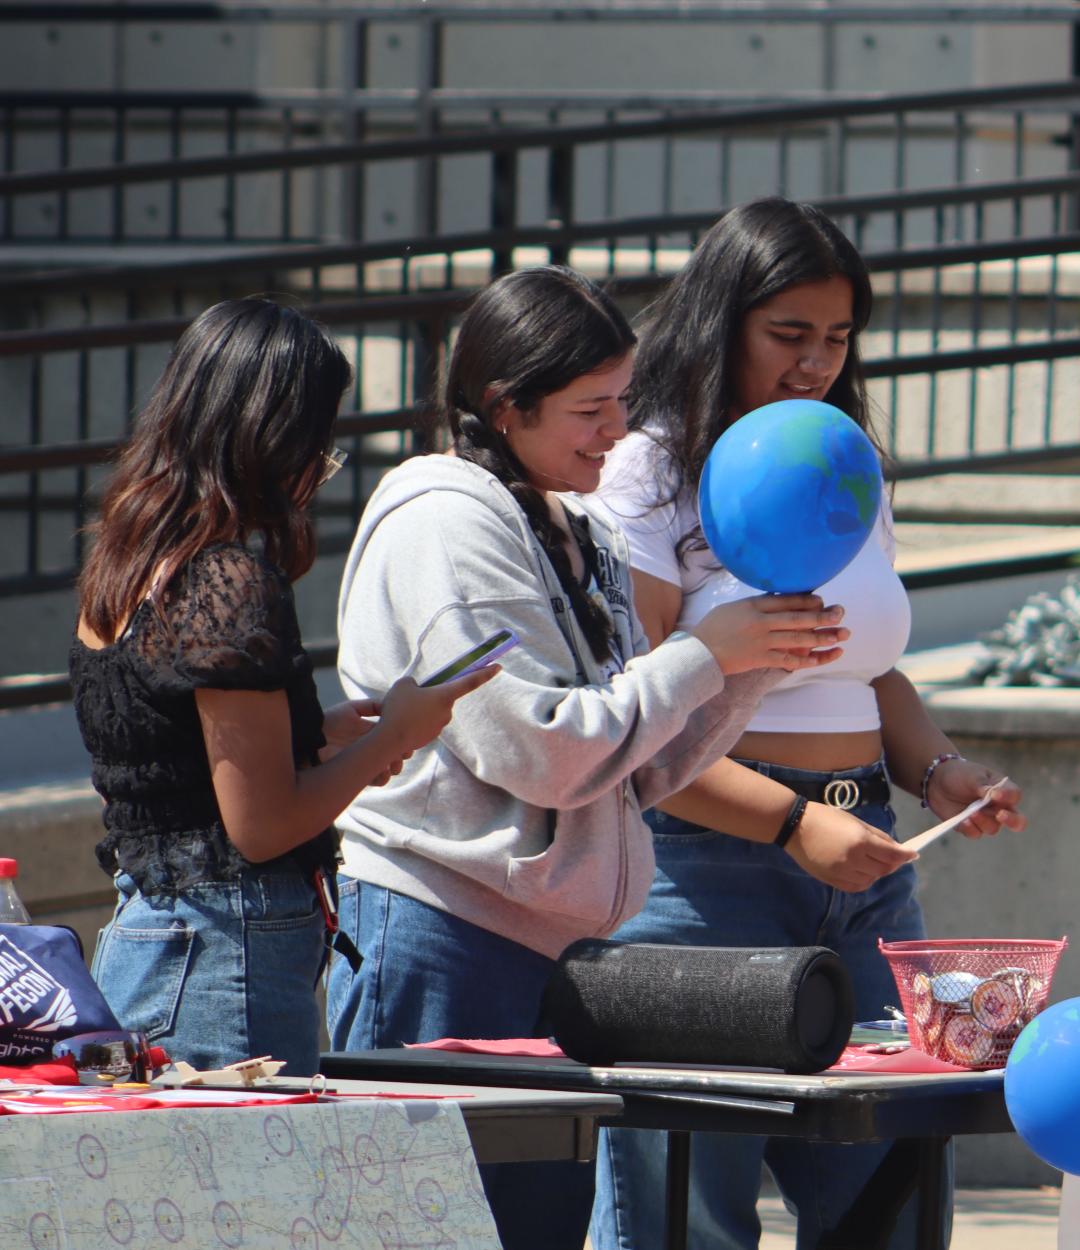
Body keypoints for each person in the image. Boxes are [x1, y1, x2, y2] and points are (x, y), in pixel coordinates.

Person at [326, 265, 844, 1246]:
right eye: (590, 408)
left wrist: (752, 665)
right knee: (434, 1227)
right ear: (504, 406)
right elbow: (543, 752)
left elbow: (635, 767)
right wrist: (707, 652)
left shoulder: (577, 526)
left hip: (547, 946)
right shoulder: (446, 516)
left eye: (624, 401)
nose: (616, 431)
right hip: (442, 927)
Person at [589, 197, 1026, 1250]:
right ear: (722, 320)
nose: (816, 362)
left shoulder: (846, 461)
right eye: (789, 334)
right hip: (701, 876)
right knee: (685, 1211)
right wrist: (789, 824)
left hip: (872, 866)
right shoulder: (649, 466)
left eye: (838, 338)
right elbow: (629, 719)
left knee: (892, 1194)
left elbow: (873, 669)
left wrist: (943, 771)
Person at [71, 298, 491, 1077]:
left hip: (152, 938)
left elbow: (170, 761)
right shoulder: (225, 578)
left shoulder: (130, 559)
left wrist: (317, 733)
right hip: (223, 951)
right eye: (318, 441)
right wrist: (401, 731)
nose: (318, 467)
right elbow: (261, 829)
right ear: (273, 438)